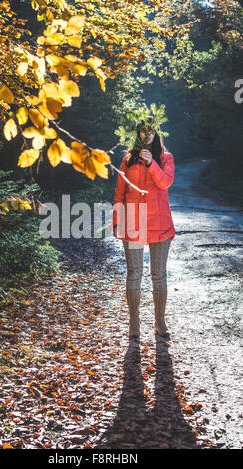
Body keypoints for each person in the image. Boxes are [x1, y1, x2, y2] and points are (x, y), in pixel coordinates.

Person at [112, 120, 176, 340]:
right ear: (138, 134)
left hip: (160, 222)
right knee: (134, 273)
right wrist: (116, 221)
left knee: (158, 275)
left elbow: (166, 182)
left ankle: (159, 321)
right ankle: (134, 323)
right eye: (142, 131)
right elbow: (119, 192)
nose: (146, 134)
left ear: (156, 133)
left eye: (150, 131)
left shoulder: (166, 158)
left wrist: (152, 164)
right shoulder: (127, 160)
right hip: (133, 223)